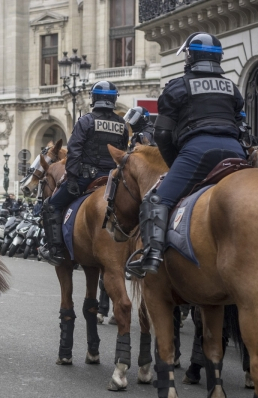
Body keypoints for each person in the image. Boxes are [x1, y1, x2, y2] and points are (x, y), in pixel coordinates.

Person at [127, 32, 246, 276]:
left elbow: (161, 134)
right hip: (235, 151)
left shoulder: (178, 86)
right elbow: (242, 128)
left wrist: (175, 163)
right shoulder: (232, 89)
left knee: (156, 200)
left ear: (190, 57)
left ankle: (151, 256)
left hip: (197, 151)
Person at [39, 81, 128, 266]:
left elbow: (74, 151)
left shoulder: (86, 121)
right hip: (113, 180)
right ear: (113, 99)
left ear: (94, 98)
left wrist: (72, 177)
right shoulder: (122, 125)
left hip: (87, 178)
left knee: (51, 205)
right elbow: (122, 154)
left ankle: (55, 249)